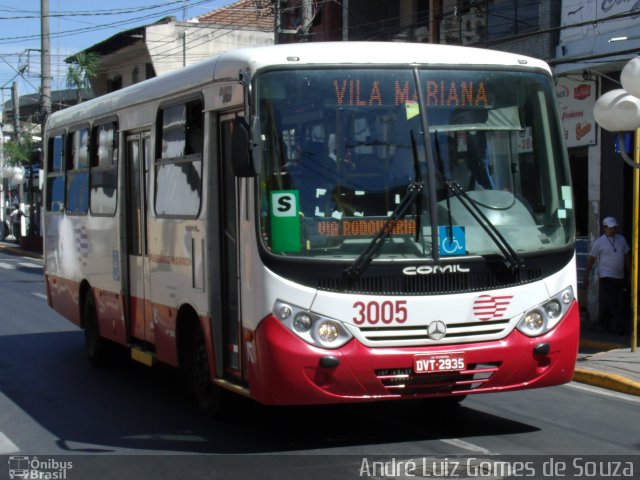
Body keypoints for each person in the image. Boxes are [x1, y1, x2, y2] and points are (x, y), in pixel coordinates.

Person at [583, 216, 631, 334]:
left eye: (614, 228)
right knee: (613, 302)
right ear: (604, 228)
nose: (612, 230)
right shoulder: (600, 242)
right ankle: (620, 327)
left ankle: (603, 322)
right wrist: (586, 275)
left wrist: (630, 273)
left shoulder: (621, 240)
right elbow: (591, 259)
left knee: (611, 301)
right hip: (606, 275)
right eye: (610, 228)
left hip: (619, 275)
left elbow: (626, 256)